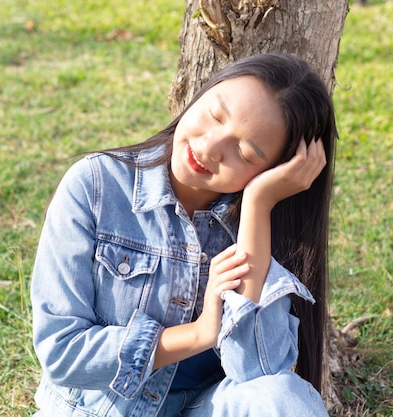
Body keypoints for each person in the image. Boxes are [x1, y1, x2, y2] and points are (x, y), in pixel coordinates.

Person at [31, 52, 337, 417]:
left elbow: (257, 373)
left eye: (244, 152)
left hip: (201, 407)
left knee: (284, 397)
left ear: (276, 173)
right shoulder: (96, 187)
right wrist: (200, 332)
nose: (208, 148)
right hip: (100, 411)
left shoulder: (262, 225)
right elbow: (62, 353)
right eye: (215, 115)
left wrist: (257, 206)